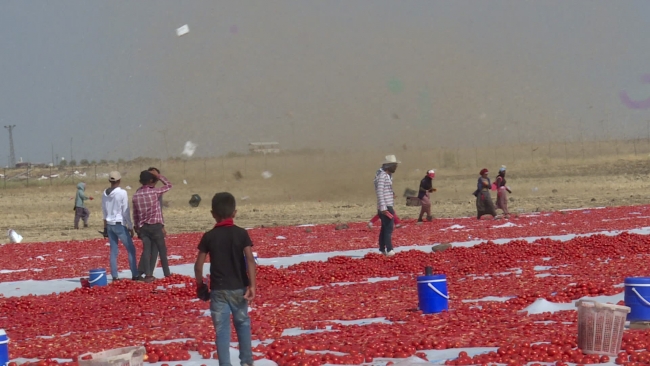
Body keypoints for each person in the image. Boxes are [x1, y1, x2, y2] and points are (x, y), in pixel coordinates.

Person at [194, 192, 256, 366]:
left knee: (222, 331)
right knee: (242, 323)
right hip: (239, 288)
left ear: (213, 214)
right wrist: (252, 286)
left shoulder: (209, 237)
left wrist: (201, 286)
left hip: (218, 290)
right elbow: (250, 260)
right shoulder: (241, 234)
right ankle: (246, 362)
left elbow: (198, 266)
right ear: (234, 213)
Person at [133, 169, 172, 283]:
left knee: (146, 250)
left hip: (143, 227)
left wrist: (137, 228)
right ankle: (167, 274)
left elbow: (135, 214)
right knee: (162, 250)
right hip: (155, 226)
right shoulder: (154, 192)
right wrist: (159, 176)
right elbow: (169, 185)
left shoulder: (136, 195)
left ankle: (148, 275)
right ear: (151, 180)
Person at [101, 171, 139, 281]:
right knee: (131, 249)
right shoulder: (122, 193)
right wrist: (130, 227)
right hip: (119, 224)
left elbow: (104, 211)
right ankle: (135, 274)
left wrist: (104, 228)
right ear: (119, 180)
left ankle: (114, 276)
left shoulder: (104, 194)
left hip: (109, 225)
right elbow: (125, 211)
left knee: (114, 251)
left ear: (109, 181)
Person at [136, 167, 165, 277]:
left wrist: (162, 225)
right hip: (146, 226)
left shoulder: (157, 192)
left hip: (155, 224)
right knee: (150, 249)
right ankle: (144, 272)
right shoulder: (141, 192)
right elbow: (137, 211)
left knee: (153, 249)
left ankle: (147, 272)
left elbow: (159, 210)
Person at [374, 155, 400, 256]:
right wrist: (384, 208)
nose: (396, 168)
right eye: (394, 165)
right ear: (389, 166)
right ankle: (389, 250)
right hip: (385, 206)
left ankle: (382, 249)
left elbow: (384, 190)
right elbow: (380, 191)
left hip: (385, 205)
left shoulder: (387, 176)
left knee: (384, 228)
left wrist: (391, 193)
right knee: (389, 228)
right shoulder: (382, 176)